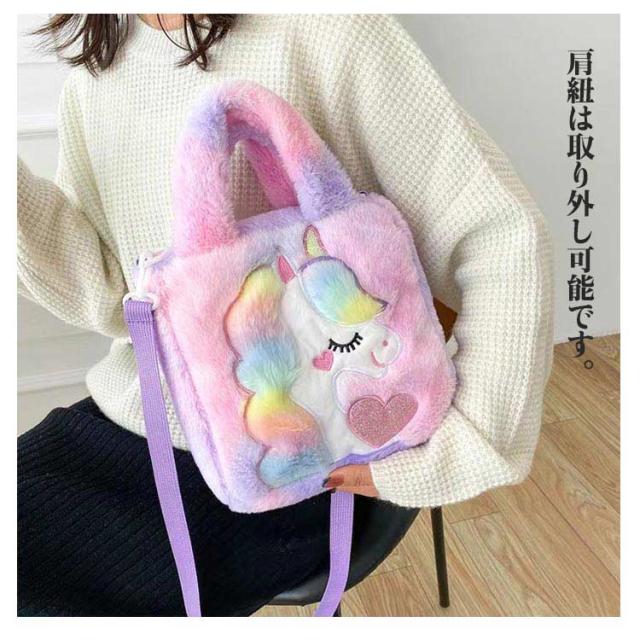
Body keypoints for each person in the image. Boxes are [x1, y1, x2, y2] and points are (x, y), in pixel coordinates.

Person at [17, 13, 554, 616]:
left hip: (296, 457)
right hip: (134, 418)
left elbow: (504, 235)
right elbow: (121, 298)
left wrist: (470, 441)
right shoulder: (95, 79)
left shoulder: (329, 31)